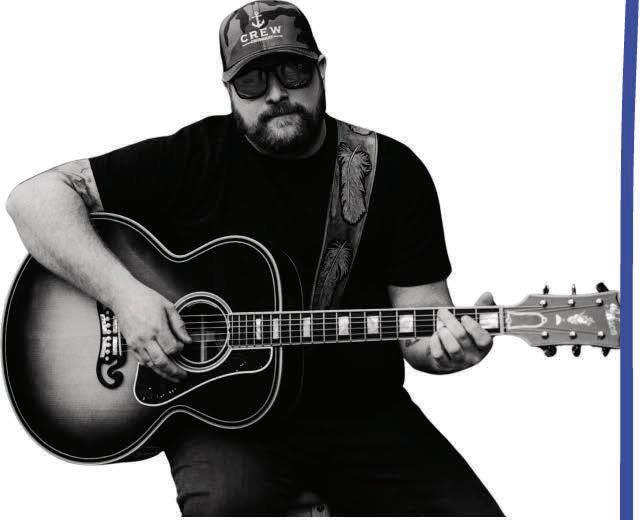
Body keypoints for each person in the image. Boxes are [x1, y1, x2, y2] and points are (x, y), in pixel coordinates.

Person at [6, 1, 503, 516]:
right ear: (228, 90)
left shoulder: (390, 171)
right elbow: (33, 201)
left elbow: (422, 326)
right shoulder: (192, 159)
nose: (276, 93)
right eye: (251, 81)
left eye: (293, 71)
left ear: (320, 69)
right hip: (227, 423)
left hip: (365, 412)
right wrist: (125, 297)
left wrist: (447, 352)